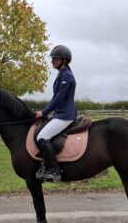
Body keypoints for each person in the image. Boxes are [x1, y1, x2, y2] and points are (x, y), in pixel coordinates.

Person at [35, 45, 76, 181]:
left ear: (64, 60)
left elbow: (59, 98)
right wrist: (47, 112)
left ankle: (54, 170)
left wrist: (44, 112)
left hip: (65, 115)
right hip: (60, 113)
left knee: (42, 137)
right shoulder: (62, 75)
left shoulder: (67, 76)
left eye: (55, 58)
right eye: (52, 58)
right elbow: (55, 98)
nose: (52, 60)